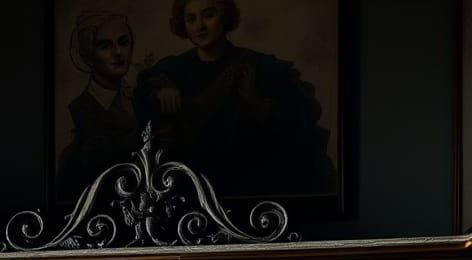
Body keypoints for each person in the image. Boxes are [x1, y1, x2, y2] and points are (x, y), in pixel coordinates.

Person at [134, 0, 335, 197]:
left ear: (225, 17)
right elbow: (142, 96)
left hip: (246, 183)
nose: (200, 26)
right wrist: (159, 85)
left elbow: (303, 114)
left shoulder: (257, 65)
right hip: (190, 185)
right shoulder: (172, 69)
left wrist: (256, 102)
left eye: (208, 15)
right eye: (191, 19)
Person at [57, 11, 140, 203]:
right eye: (105, 46)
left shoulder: (139, 99)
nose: (118, 52)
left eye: (123, 42)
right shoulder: (77, 111)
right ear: (88, 56)